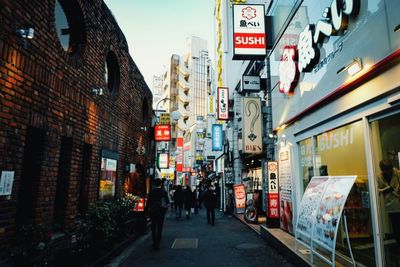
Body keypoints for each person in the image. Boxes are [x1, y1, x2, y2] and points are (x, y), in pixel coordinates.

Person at [377, 159, 400, 244]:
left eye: (389, 169)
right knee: (395, 226)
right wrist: (385, 189)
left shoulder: (397, 173)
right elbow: (378, 190)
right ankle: (398, 244)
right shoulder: (380, 176)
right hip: (390, 205)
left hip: (398, 201)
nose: (388, 172)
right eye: (386, 170)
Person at [147, 178, 169, 250]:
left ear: (154, 184)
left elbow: (148, 202)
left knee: (153, 227)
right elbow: (167, 202)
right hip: (161, 212)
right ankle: (157, 244)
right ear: (161, 184)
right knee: (159, 228)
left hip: (153, 212)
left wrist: (148, 210)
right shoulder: (163, 192)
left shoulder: (151, 192)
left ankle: (154, 242)